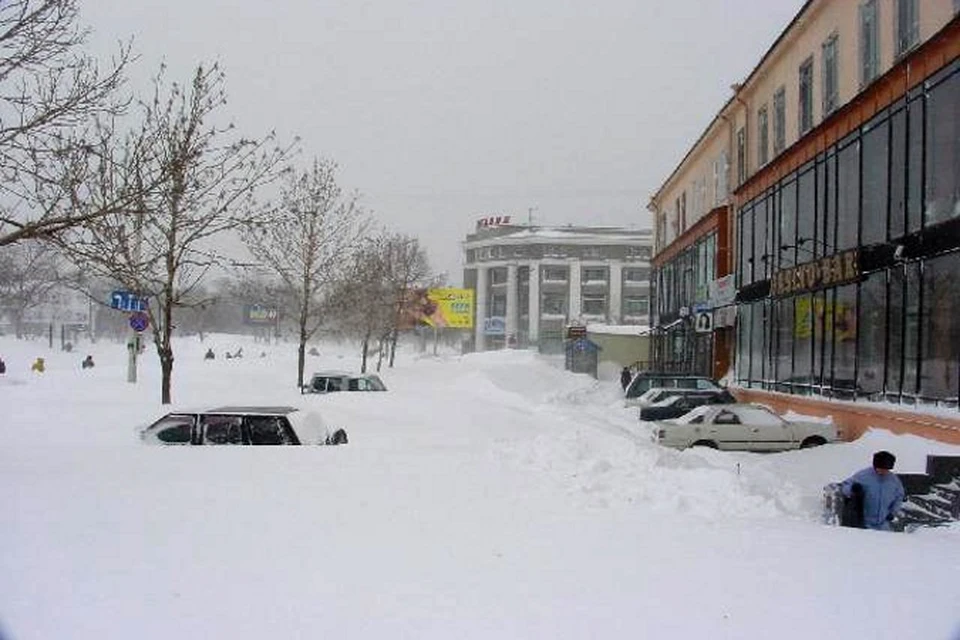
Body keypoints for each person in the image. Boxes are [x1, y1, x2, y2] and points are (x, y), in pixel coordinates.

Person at [841, 451, 905, 531]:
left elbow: (899, 497)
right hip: (864, 525)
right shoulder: (863, 476)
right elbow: (845, 486)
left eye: (886, 469)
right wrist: (852, 489)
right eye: (880, 468)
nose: (883, 471)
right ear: (875, 466)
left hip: (883, 525)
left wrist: (893, 512)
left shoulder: (894, 481)